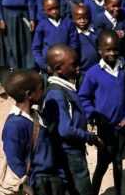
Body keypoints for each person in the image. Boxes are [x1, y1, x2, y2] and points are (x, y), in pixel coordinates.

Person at [78, 30, 125, 195]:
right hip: (105, 127)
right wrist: (93, 115)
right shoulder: (93, 73)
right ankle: (94, 192)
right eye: (107, 49)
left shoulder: (124, 70)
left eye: (115, 49)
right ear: (99, 50)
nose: (112, 53)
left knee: (118, 162)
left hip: (121, 125)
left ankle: (118, 191)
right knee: (102, 164)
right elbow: (84, 97)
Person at [42, 44, 101, 195]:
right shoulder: (57, 93)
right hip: (70, 152)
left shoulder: (66, 88)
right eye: (74, 65)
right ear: (59, 69)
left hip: (73, 149)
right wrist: (88, 137)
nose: (78, 68)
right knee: (81, 187)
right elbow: (65, 129)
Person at [2, 69, 63, 195]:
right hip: (37, 181)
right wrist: (25, 184)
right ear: (29, 94)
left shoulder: (36, 115)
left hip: (51, 176)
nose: (43, 91)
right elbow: (13, 157)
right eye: (40, 88)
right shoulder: (15, 124)